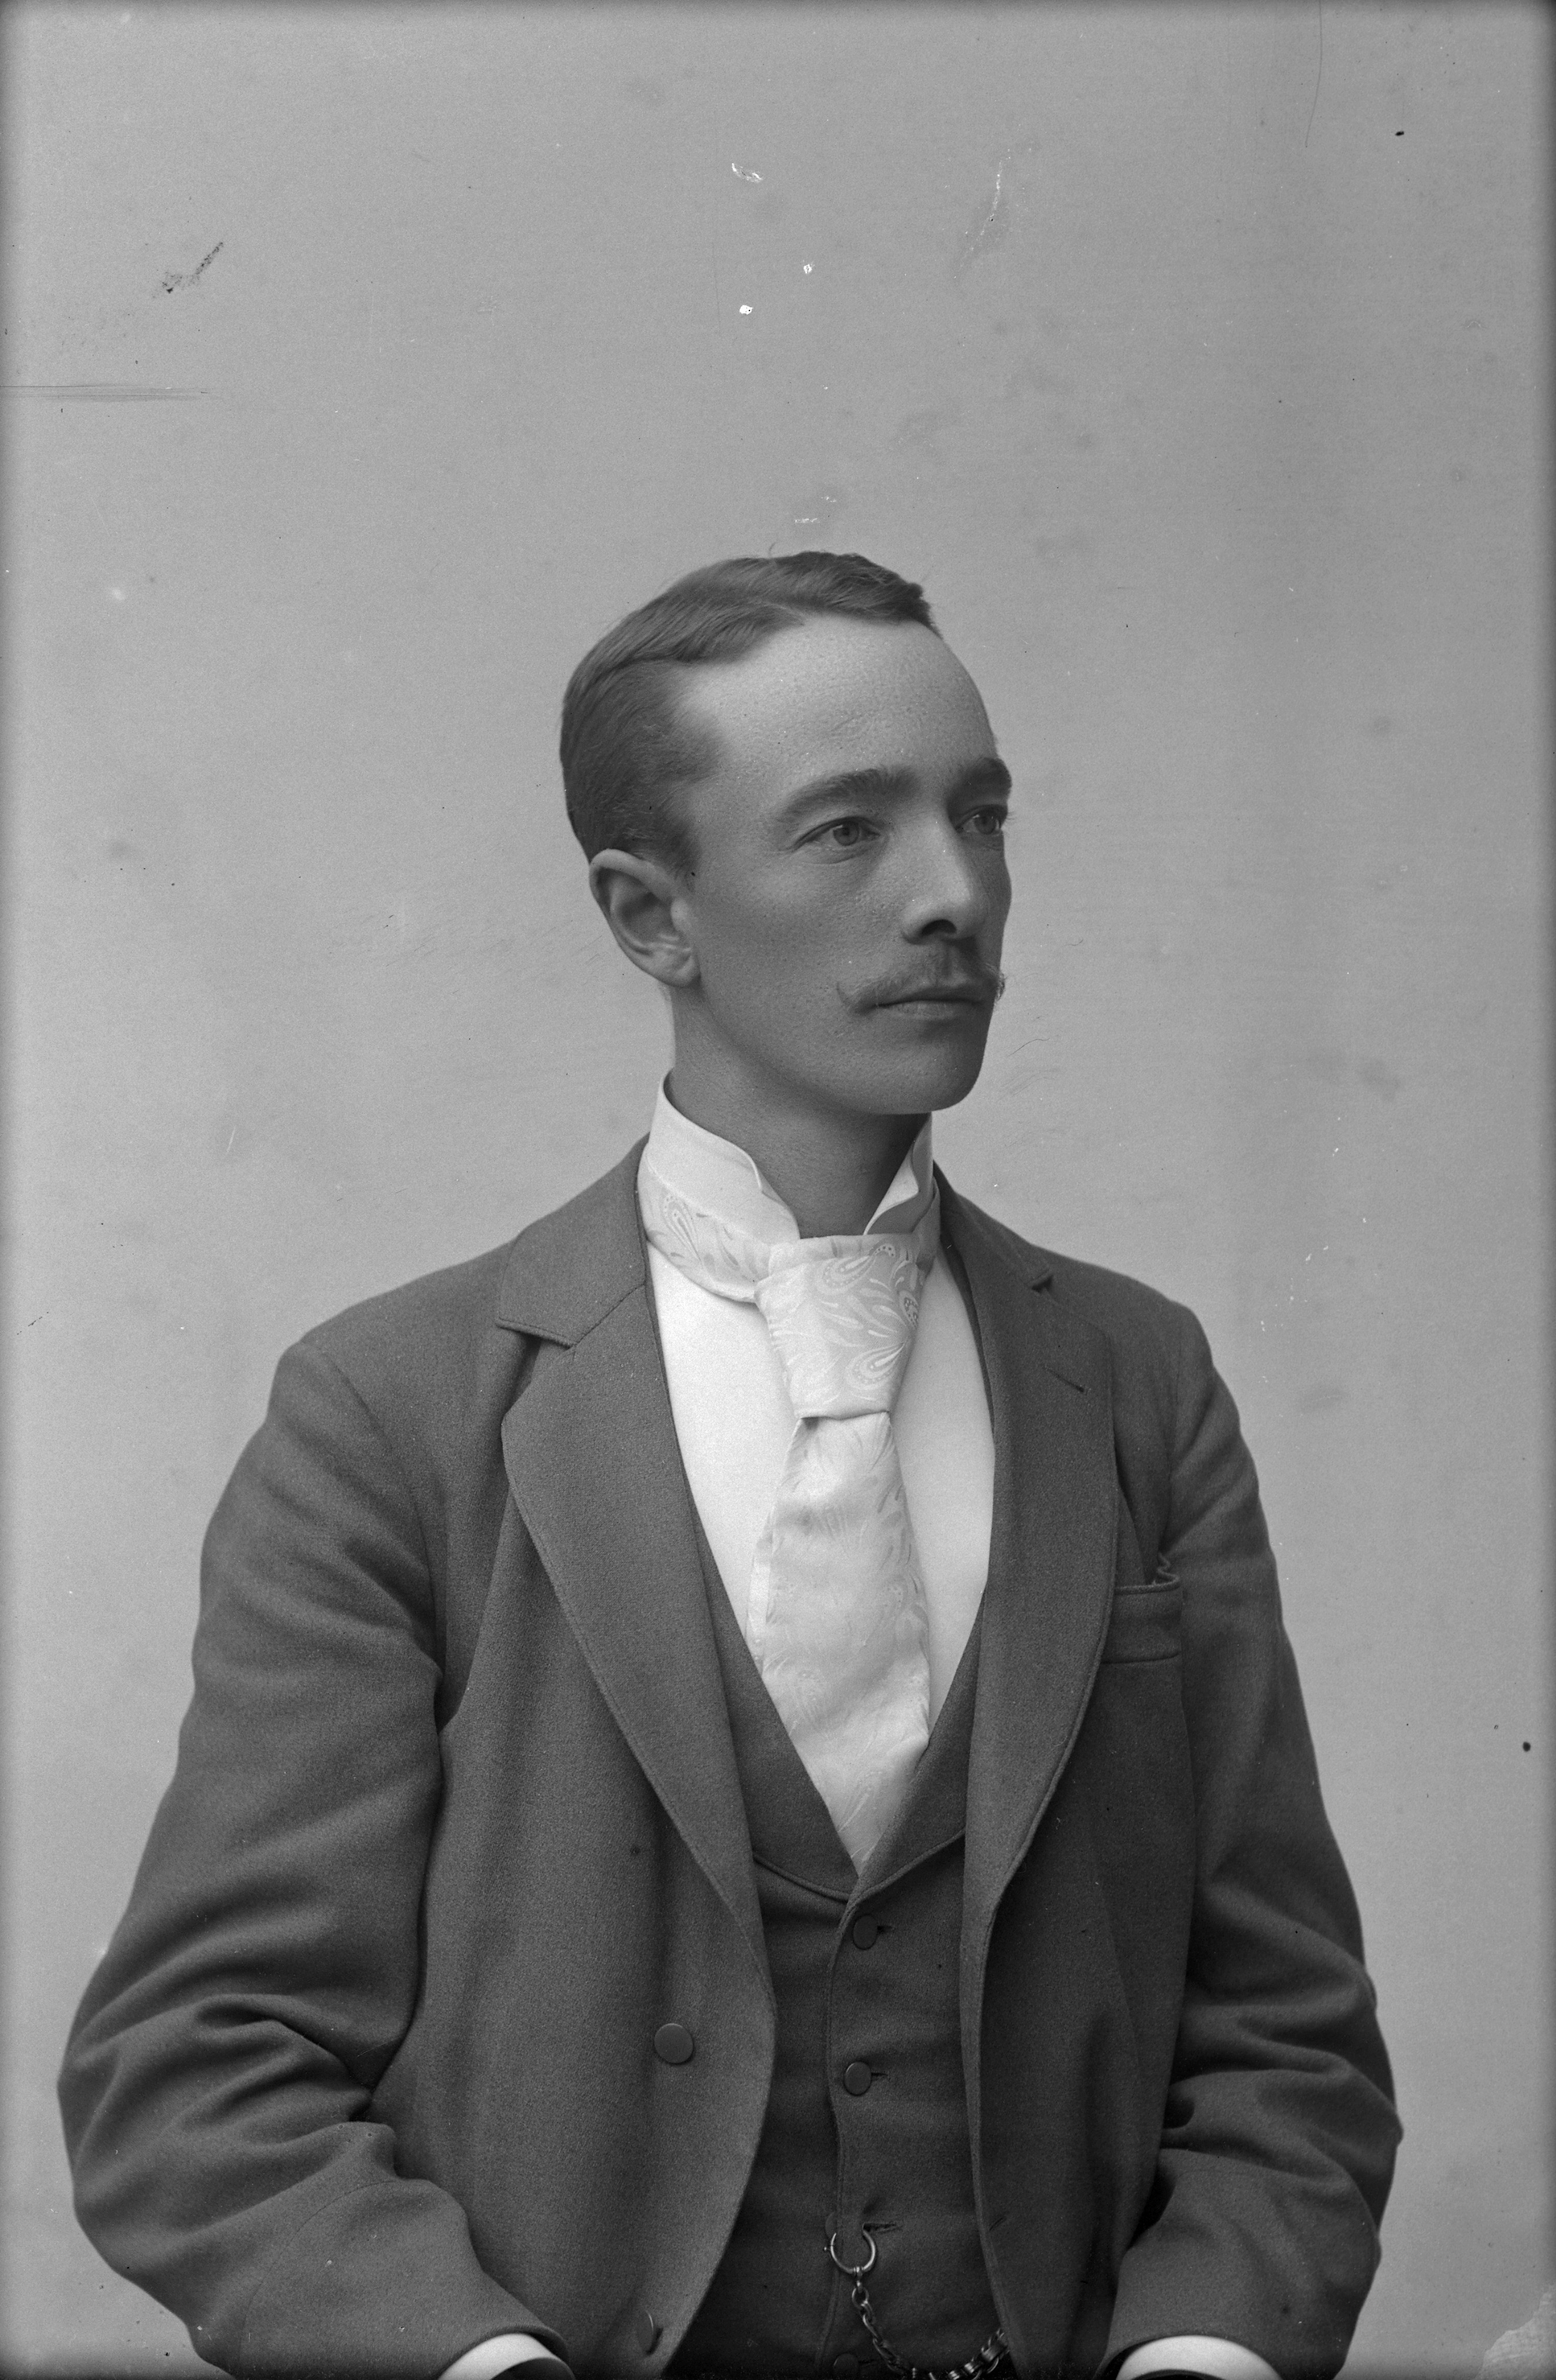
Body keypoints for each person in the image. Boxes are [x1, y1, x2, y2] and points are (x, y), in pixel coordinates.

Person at [59, 553, 1400, 2380]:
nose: (954, 895)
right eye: (847, 831)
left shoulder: (1136, 1383)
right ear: (649, 915)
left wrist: (1201, 2357)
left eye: (981, 816)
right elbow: (199, 2069)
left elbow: (1287, 2036)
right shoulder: (393, 1414)